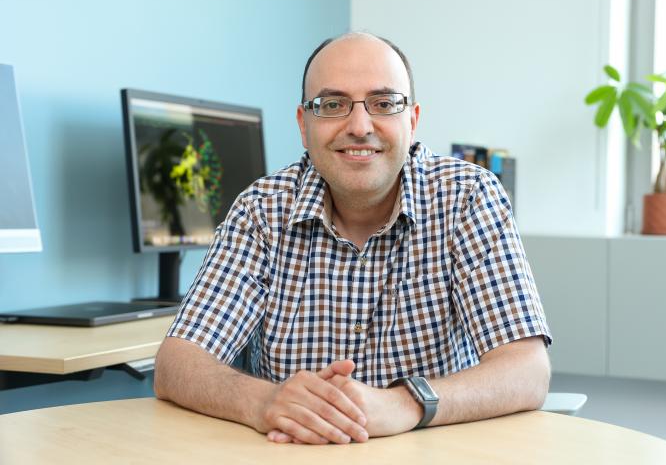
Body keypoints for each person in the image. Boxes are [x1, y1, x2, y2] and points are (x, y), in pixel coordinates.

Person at [154, 32, 552, 445]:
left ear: (411, 121)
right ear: (303, 125)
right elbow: (177, 363)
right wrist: (264, 401)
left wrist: (403, 404)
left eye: (383, 104)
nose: (360, 126)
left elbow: (527, 370)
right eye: (332, 105)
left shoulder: (468, 197)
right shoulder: (261, 210)